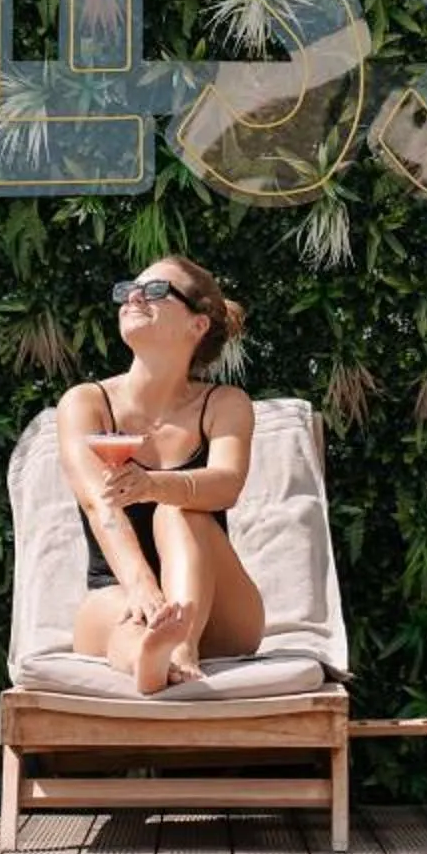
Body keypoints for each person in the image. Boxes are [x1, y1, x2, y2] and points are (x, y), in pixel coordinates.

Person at [57, 256, 266, 694]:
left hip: (221, 613)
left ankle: (180, 646)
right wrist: (143, 590)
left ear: (197, 325)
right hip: (120, 589)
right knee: (125, 624)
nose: (133, 296)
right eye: (129, 288)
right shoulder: (87, 403)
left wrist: (155, 485)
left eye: (155, 291)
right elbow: (101, 505)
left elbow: (226, 485)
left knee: (177, 512)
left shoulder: (224, 403)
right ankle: (151, 659)